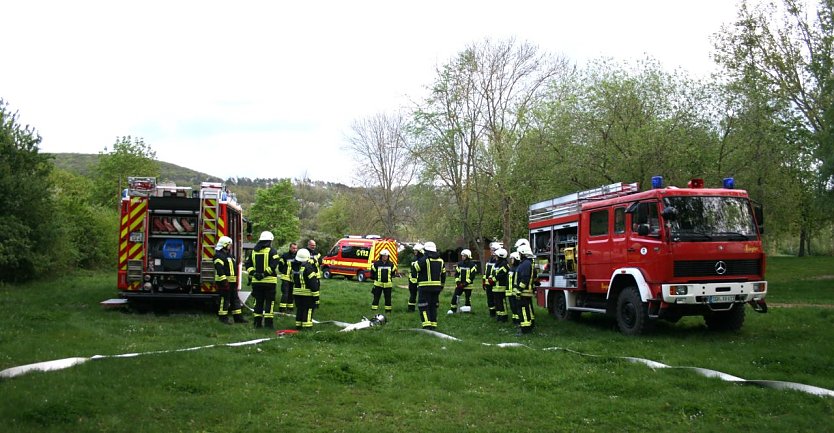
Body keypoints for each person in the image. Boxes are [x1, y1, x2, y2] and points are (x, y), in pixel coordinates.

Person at [245, 231, 280, 329]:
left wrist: (254, 273)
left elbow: (248, 264)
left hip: (256, 282)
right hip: (269, 282)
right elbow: (274, 265)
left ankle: (257, 324)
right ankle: (268, 325)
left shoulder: (253, 251)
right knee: (269, 303)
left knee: (258, 302)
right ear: (269, 241)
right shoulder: (272, 251)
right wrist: (264, 274)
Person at [214, 236, 245, 324]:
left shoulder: (229, 255)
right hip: (224, 282)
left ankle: (238, 318)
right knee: (224, 300)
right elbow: (219, 269)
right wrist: (224, 281)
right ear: (224, 245)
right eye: (229, 245)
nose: (230, 246)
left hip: (232, 282)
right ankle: (223, 318)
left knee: (235, 299)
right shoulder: (218, 256)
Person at [414, 241, 445, 330]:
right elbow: (443, 275)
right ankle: (433, 325)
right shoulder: (441, 260)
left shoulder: (425, 259)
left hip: (424, 287)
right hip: (436, 288)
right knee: (433, 306)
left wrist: (424, 257)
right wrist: (441, 286)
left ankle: (426, 325)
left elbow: (416, 267)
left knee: (423, 306)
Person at [292, 248, 320, 330]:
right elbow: (313, 285)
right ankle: (307, 328)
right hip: (307, 294)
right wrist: (316, 298)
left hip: (297, 293)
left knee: (300, 310)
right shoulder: (309, 268)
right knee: (308, 310)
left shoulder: (295, 267)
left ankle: (298, 326)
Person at [514, 244, 536, 334]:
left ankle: (525, 329)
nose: (519, 255)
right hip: (525, 291)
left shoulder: (525, 264)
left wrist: (519, 290)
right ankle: (529, 326)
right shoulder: (526, 263)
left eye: (519, 253)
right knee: (526, 309)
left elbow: (525, 278)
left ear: (523, 253)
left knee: (523, 310)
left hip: (523, 292)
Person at [448, 249, 478, 314]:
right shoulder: (460, 264)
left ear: (468, 256)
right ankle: (453, 310)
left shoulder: (472, 265)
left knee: (467, 299)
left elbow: (472, 276)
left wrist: (465, 284)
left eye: (464, 256)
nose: (462, 257)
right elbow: (456, 274)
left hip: (468, 286)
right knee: (455, 297)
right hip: (459, 285)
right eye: (462, 256)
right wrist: (458, 282)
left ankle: (467, 311)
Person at [370, 249, 397, 313]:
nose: (385, 257)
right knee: (376, 297)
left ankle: (388, 311)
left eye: (386, 256)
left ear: (388, 256)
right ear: (381, 256)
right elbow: (372, 272)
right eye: (384, 256)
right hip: (378, 284)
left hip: (388, 285)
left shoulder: (391, 264)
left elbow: (393, 273)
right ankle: (374, 310)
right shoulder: (376, 264)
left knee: (388, 298)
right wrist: (375, 278)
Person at [277, 242, 298, 313]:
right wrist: (284, 271)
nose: (295, 249)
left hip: (293, 278)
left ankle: (290, 308)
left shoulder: (298, 256)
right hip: (285, 277)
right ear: (290, 248)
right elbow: (280, 266)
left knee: (291, 294)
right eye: (293, 248)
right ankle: (282, 309)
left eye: (296, 248)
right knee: (285, 293)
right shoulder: (285, 255)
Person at [491, 248, 510, 322]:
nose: (495, 257)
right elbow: (494, 273)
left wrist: (493, 279)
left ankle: (504, 316)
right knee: (497, 302)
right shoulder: (496, 264)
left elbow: (501, 275)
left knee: (502, 302)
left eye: (496, 256)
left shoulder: (505, 265)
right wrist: (491, 278)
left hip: (501, 287)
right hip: (495, 287)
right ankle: (499, 315)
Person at [483, 242, 501, 317]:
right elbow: (486, 271)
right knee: (490, 299)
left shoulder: (498, 261)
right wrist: (484, 281)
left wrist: (492, 280)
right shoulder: (490, 260)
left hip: (494, 283)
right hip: (488, 283)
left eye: (492, 250)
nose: (490, 251)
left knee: (496, 299)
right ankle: (492, 313)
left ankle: (498, 313)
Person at [407, 243, 424, 312]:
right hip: (413, 280)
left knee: (421, 296)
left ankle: (422, 308)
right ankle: (411, 309)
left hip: (420, 281)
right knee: (413, 295)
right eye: (414, 251)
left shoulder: (422, 260)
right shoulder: (415, 259)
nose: (414, 252)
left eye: (416, 251)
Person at [307, 239, 323, 308]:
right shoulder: (305, 252)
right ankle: (309, 302)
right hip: (308, 275)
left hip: (316, 275)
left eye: (314, 245)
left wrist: (313, 261)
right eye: (312, 245)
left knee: (317, 290)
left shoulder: (317, 253)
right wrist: (314, 260)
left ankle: (316, 303)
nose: (314, 247)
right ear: (308, 245)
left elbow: (320, 262)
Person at [507, 251, 521, 325]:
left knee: (516, 307)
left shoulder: (517, 268)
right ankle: (514, 320)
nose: (511, 260)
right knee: (513, 307)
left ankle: (518, 321)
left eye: (512, 259)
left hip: (515, 291)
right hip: (510, 291)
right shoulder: (512, 268)